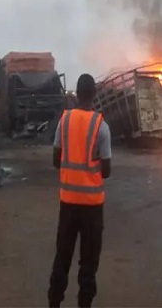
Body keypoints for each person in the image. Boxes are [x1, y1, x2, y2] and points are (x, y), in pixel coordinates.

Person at [48, 74, 112, 308]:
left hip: (68, 203)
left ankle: (54, 303)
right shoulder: (101, 126)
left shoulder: (64, 122)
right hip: (92, 208)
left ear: (76, 93)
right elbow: (106, 171)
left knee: (62, 258)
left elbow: (56, 160)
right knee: (88, 264)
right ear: (94, 94)